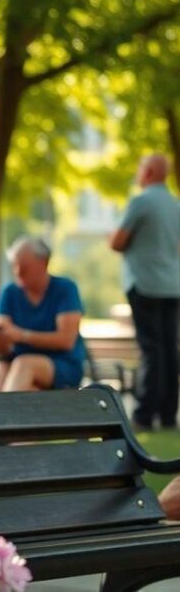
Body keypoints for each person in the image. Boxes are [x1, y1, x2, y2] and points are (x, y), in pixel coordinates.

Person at [110, 153, 180, 430]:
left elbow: (117, 242)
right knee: (169, 348)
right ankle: (167, 414)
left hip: (145, 284)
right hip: (172, 285)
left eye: (140, 168)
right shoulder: (175, 204)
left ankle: (143, 415)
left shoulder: (141, 202)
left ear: (149, 171)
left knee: (151, 349)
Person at [0, 237, 87, 392]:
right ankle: (21, 412)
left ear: (44, 263)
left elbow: (66, 340)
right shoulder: (9, 293)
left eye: (24, 267)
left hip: (60, 364)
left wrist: (22, 335)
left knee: (24, 364)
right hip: (16, 367)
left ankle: (4, 416)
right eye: (15, 266)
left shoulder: (65, 289)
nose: (18, 272)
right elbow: (4, 346)